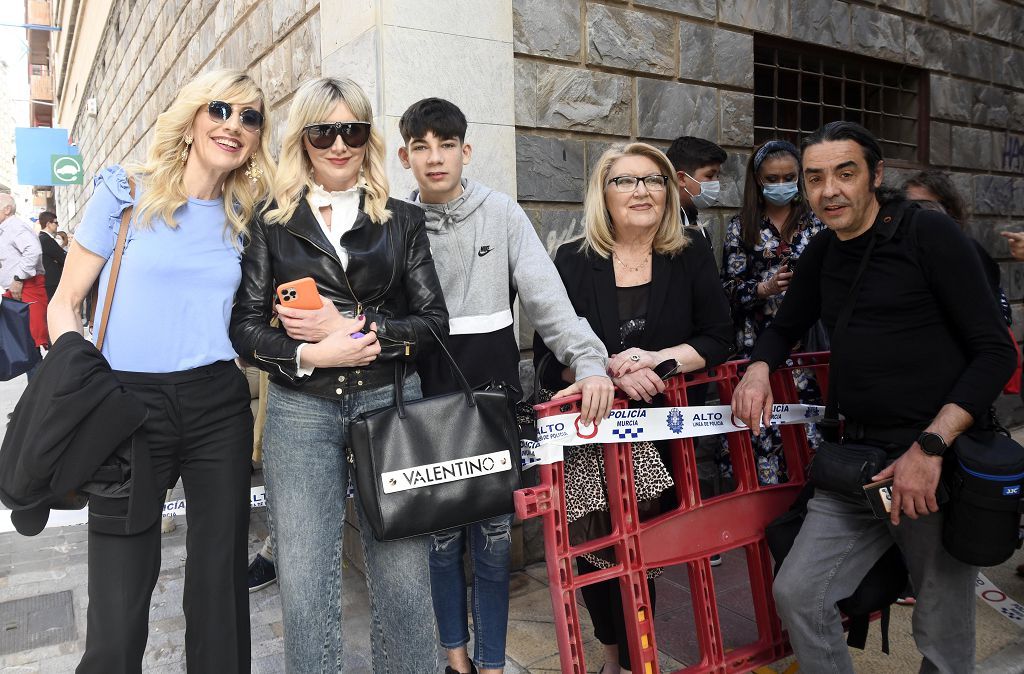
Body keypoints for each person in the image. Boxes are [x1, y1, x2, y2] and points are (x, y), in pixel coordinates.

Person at [731, 121, 1016, 674]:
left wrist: (931, 447)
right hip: (856, 465)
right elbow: (784, 325)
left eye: (845, 173)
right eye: (815, 178)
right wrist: (759, 369)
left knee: (940, 622)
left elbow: (994, 352)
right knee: (798, 592)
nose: (828, 190)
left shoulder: (926, 236)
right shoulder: (823, 250)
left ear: (875, 175)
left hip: (933, 463)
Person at [46, 69, 273, 673]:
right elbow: (65, 302)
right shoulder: (124, 191)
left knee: (220, 584)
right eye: (221, 109)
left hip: (216, 403)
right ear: (193, 117)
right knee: (118, 600)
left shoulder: (246, 216)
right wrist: (80, 387)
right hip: (126, 404)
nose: (233, 126)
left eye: (250, 117)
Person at [229, 76, 447, 673]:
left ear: (367, 137)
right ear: (303, 137)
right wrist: (311, 353)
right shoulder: (271, 222)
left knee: (404, 578)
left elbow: (433, 323)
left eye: (352, 130)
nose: (338, 144)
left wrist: (353, 326)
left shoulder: (401, 219)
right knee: (304, 584)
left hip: (390, 403)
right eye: (323, 130)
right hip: (302, 408)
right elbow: (245, 328)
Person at [397, 97, 614, 674]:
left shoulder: (503, 213)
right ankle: (457, 662)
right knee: (442, 547)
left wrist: (590, 362)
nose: (435, 157)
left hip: (493, 404)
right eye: (422, 146)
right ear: (405, 156)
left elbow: (551, 305)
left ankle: (492, 665)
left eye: (447, 145)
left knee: (494, 544)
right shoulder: (394, 222)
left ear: (466, 151)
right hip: (425, 405)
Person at [535, 142, 733, 674]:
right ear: (603, 193)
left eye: (653, 180)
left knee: (644, 550)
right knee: (595, 550)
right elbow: (548, 360)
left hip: (665, 428)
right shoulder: (573, 260)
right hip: (592, 434)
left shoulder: (689, 251)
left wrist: (656, 361)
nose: (641, 190)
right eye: (625, 181)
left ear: (668, 190)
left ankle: (638, 654)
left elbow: (719, 338)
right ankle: (612, 655)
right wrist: (601, 370)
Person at [719, 140, 825, 485]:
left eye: (789, 177)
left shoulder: (818, 224)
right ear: (758, 181)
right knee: (757, 437)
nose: (782, 185)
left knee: (811, 441)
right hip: (755, 350)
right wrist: (763, 288)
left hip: (808, 352)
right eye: (772, 179)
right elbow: (726, 291)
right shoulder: (741, 227)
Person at [904, 170, 1012, 326]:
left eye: (924, 207)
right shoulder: (897, 252)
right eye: (908, 207)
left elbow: (999, 316)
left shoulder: (968, 252)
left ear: (949, 211)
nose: (916, 214)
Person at [1, 193, 48, 354]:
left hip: (26, 287)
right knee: (26, 342)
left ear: (7, 209)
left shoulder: (14, 226)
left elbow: (33, 250)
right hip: (17, 289)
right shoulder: (7, 228)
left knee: (31, 342)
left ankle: (46, 378)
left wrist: (18, 278)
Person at [665, 136, 727, 243]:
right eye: (709, 176)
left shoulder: (693, 218)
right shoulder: (664, 228)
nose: (716, 183)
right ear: (681, 178)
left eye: (717, 176)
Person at [38, 211, 67, 301]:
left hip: (49, 281)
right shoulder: (46, 239)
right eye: (55, 222)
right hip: (52, 282)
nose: (57, 225)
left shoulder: (42, 238)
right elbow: (63, 257)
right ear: (48, 224)